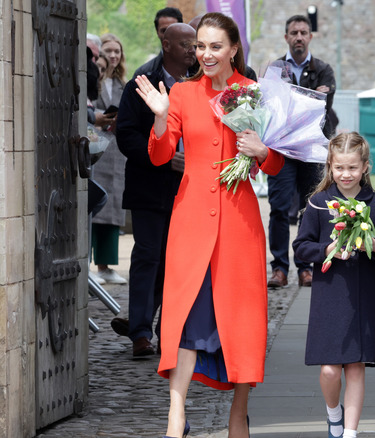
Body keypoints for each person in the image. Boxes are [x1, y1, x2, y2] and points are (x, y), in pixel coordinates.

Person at [133, 12, 285, 438]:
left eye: (215, 46)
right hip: (191, 223)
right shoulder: (181, 92)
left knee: (241, 322)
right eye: (200, 46)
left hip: (239, 226)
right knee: (183, 318)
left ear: (234, 49)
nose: (205, 53)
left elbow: (275, 163)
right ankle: (175, 414)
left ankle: (240, 410)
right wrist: (162, 117)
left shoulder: (253, 93)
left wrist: (261, 151)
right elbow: (161, 156)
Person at [292, 132, 375, 438]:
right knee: (329, 370)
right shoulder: (319, 203)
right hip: (329, 294)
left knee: (355, 366)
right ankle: (333, 413)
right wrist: (327, 248)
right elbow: (300, 247)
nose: (345, 175)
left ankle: (349, 433)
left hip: (364, 295)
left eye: (352, 168)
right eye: (339, 168)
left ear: (365, 167)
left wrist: (373, 245)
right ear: (330, 168)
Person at [112, 23, 197, 358]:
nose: (193, 50)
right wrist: (160, 158)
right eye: (186, 44)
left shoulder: (199, 84)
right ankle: (140, 333)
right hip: (149, 187)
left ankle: (170, 331)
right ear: (166, 44)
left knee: (176, 263)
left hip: (187, 191)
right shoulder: (141, 83)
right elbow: (126, 134)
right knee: (147, 257)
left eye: (196, 44)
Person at [267, 14, 338, 289]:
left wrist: (296, 97)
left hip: (311, 149)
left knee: (312, 208)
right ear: (286, 37)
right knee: (279, 208)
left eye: (303, 32)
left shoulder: (324, 68)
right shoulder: (275, 68)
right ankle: (280, 268)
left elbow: (322, 104)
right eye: (294, 32)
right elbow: (273, 105)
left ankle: (306, 267)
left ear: (310, 37)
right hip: (281, 148)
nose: (298, 37)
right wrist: (310, 95)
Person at [91, 33, 128, 285]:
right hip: (95, 146)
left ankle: (106, 265)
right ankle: (89, 262)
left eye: (117, 51)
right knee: (93, 206)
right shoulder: (94, 78)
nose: (113, 55)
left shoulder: (125, 85)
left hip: (116, 151)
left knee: (113, 208)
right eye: (109, 50)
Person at [131, 7, 184, 83]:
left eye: (173, 29)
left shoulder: (197, 68)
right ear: (157, 32)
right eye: (164, 30)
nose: (168, 35)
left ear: (182, 30)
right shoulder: (143, 75)